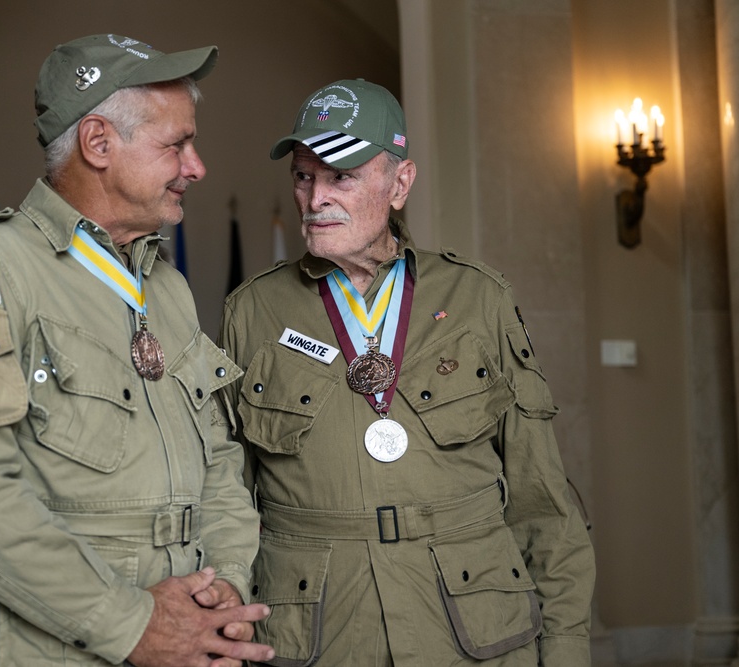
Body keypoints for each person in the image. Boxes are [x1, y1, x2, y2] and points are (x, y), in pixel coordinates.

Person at [0, 34, 275, 667]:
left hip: (190, 646)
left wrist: (224, 589)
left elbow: (220, 464)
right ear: (98, 143)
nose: (196, 166)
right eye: (177, 144)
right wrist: (134, 626)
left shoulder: (166, 286)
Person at [219, 78, 595, 665]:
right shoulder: (253, 311)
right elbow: (229, 505)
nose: (315, 197)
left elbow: (541, 500)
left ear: (400, 184)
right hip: (318, 635)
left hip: (473, 630)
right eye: (302, 174)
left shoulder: (478, 298)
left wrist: (567, 647)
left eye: (340, 176)